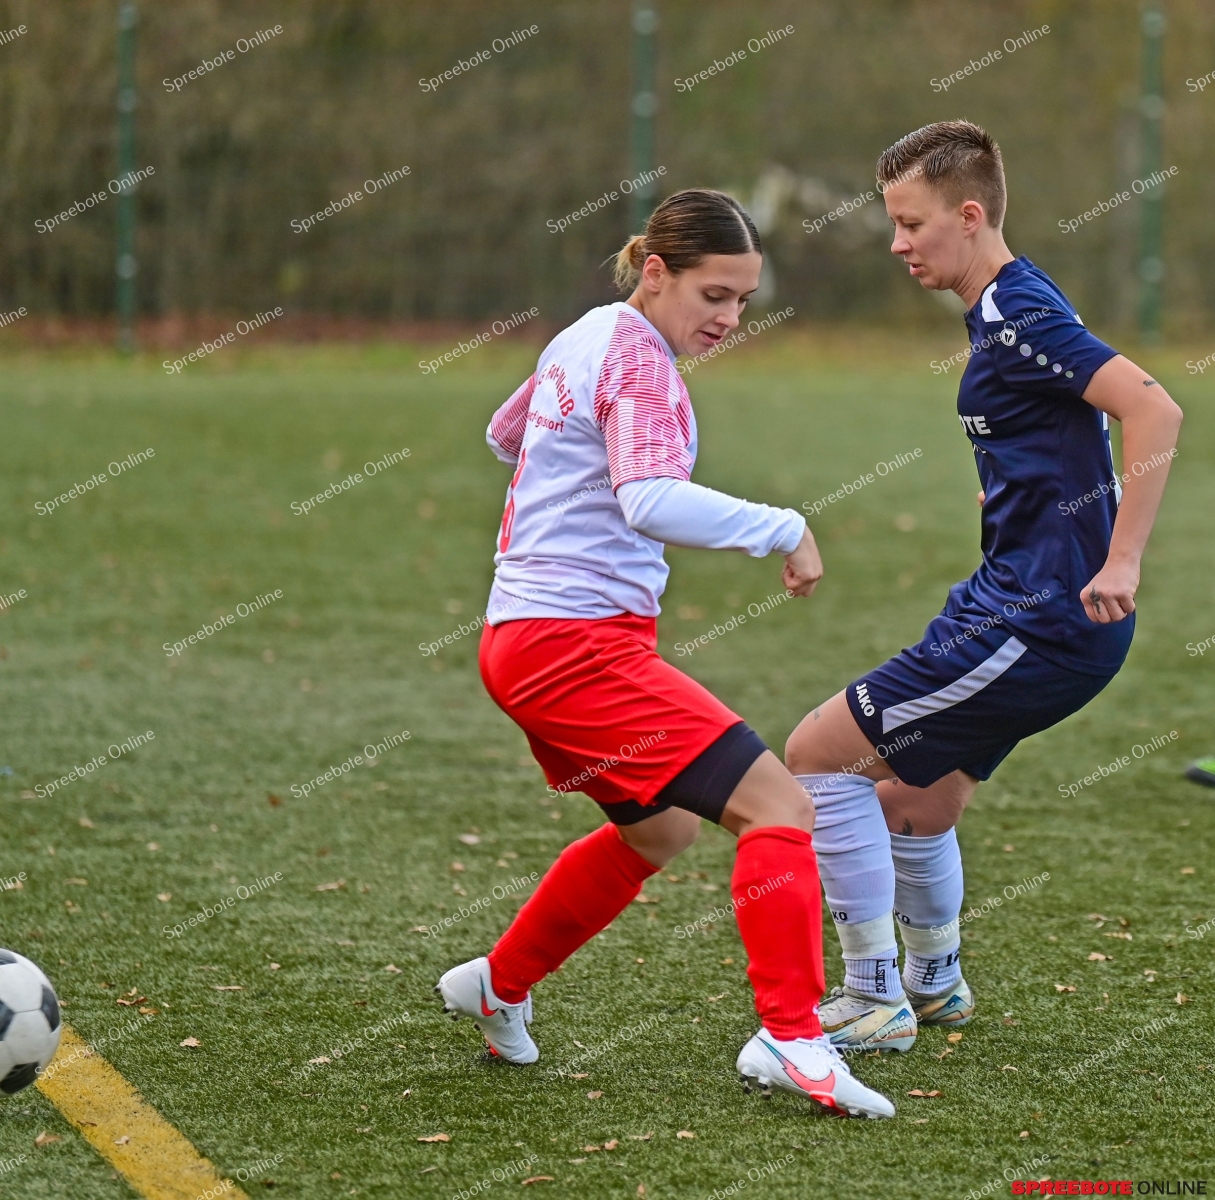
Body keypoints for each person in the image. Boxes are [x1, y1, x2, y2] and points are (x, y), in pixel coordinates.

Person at [436, 188, 893, 1118]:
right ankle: (792, 1037)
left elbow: (505, 434)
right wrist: (784, 526)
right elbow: (645, 498)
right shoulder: (639, 360)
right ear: (655, 273)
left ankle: (498, 984)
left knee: (661, 830)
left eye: (742, 301)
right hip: (570, 647)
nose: (728, 318)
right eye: (712, 295)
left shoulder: (587, 333)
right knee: (780, 805)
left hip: (525, 638)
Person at [784, 121, 1183, 1053]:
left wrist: (1121, 557)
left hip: (1035, 620)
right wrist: (1020, 490)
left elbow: (1152, 408)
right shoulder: (1008, 300)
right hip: (1030, 606)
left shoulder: (1016, 312)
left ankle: (871, 999)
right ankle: (933, 984)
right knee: (913, 803)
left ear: (968, 215)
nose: (897, 243)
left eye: (910, 222)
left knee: (814, 757)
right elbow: (1067, 425)